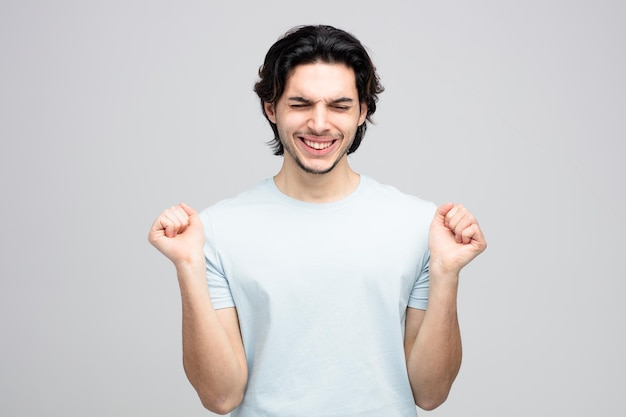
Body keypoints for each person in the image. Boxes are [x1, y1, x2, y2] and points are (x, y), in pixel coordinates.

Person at [148, 24, 486, 417]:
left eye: (340, 106)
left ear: (362, 112)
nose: (320, 124)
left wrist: (446, 272)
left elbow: (430, 393)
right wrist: (188, 265)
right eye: (301, 104)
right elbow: (221, 397)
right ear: (271, 109)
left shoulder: (420, 226)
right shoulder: (216, 230)